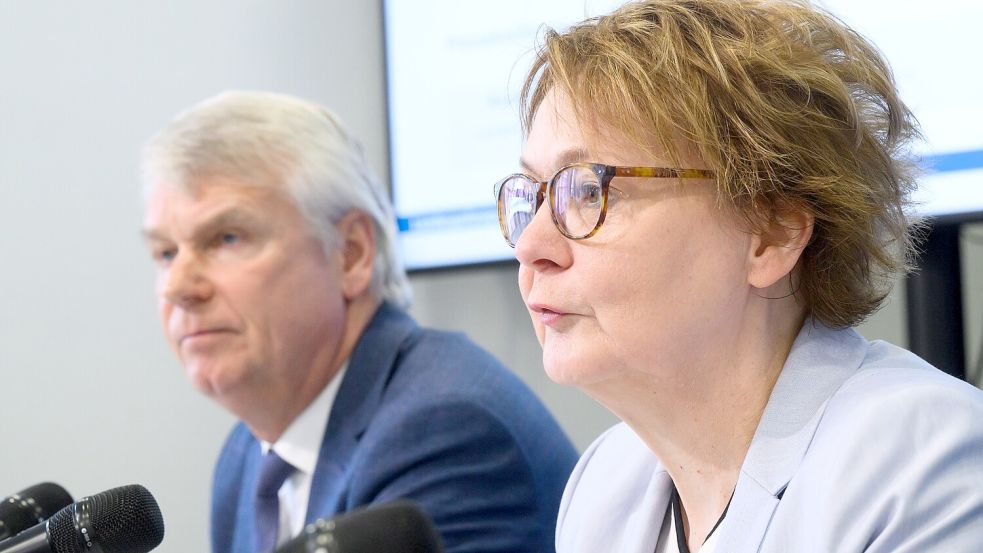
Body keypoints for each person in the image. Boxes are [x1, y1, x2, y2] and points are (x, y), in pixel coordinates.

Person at [493, 1, 983, 551]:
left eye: (587, 191)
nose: (532, 246)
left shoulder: (922, 468)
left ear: (772, 233)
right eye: (533, 195)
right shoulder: (604, 485)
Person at [141, 91, 578, 553]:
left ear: (351, 254)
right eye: (166, 252)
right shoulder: (244, 459)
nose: (178, 287)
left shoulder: (445, 432)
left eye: (227, 238)